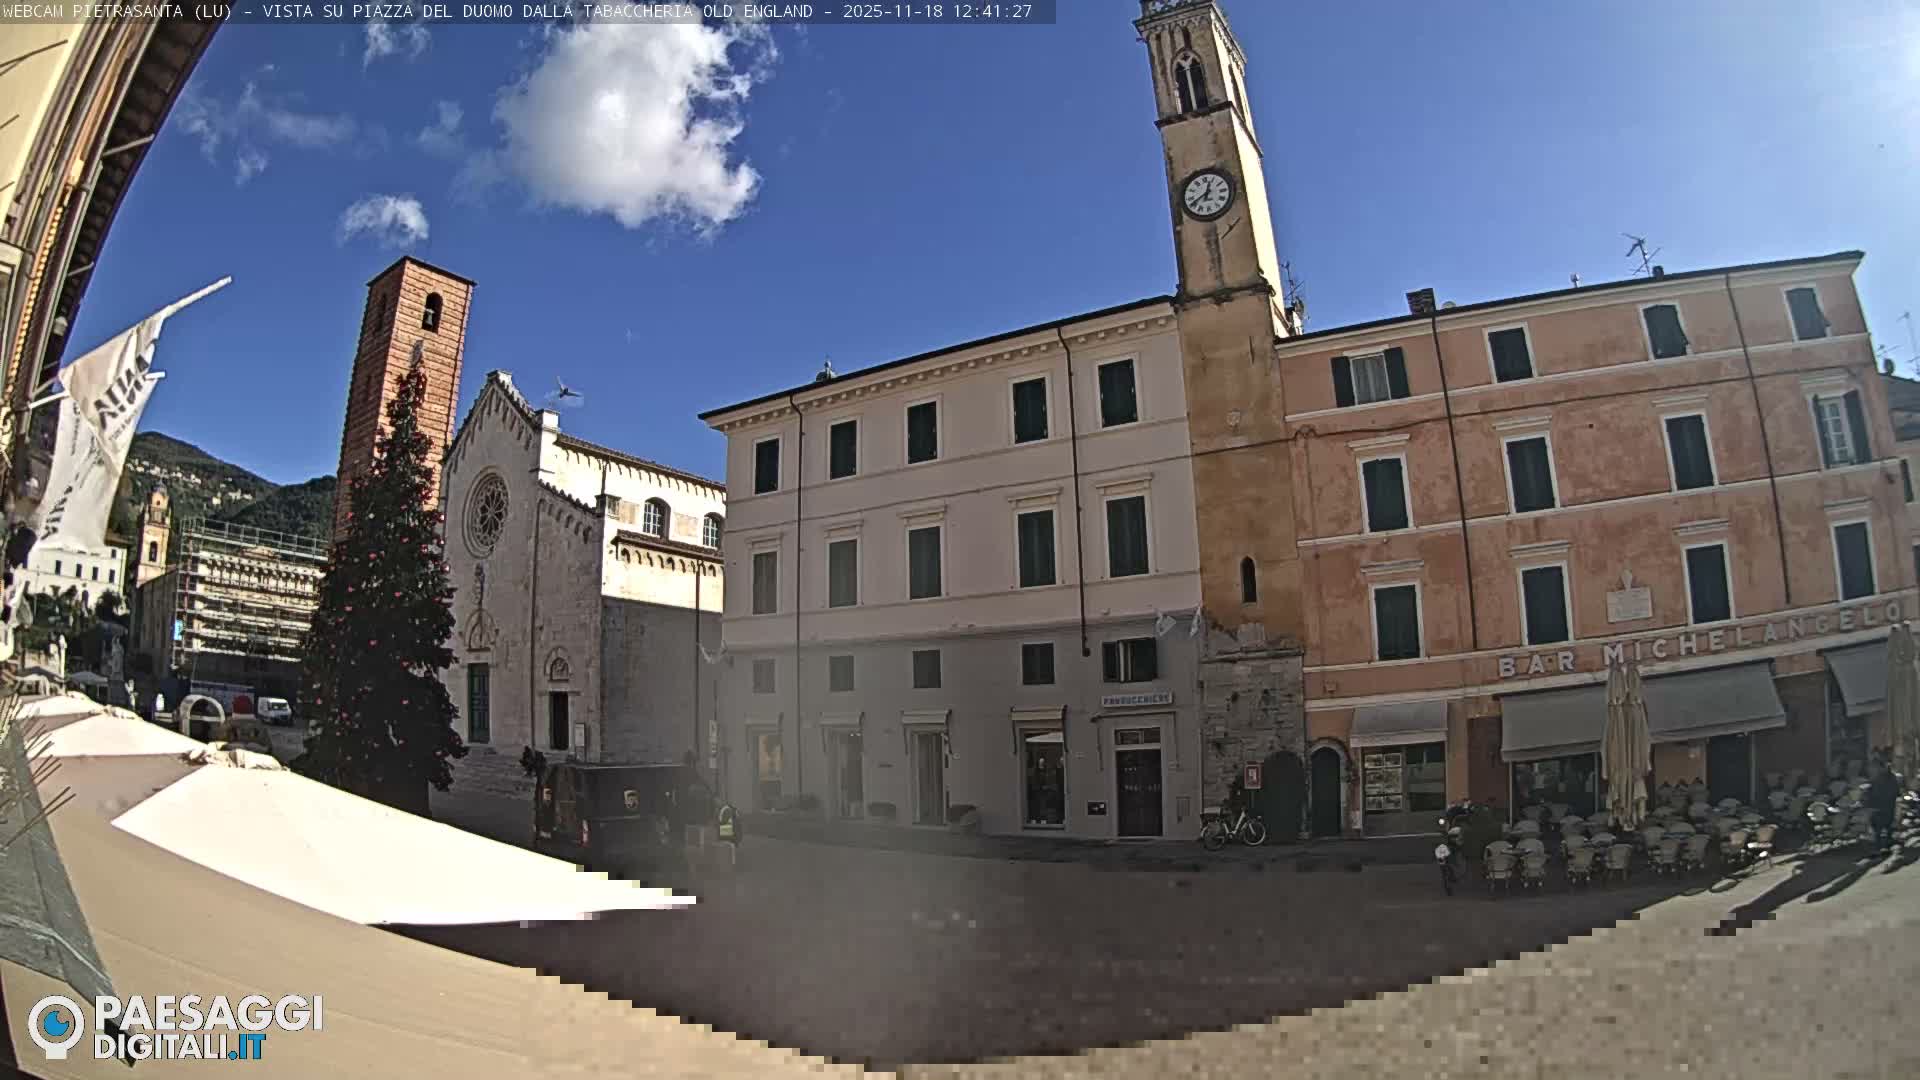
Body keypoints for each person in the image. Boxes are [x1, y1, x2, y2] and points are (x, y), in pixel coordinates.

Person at [1867, 759, 1900, 853]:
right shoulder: (1877, 778)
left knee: (1884, 825)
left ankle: (1884, 844)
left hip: (1886, 804)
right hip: (1883, 805)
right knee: (1880, 825)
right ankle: (1881, 845)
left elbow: (1895, 791)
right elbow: (1872, 790)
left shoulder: (1887, 777)